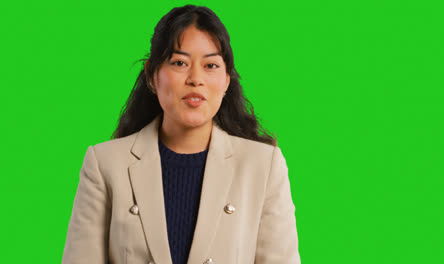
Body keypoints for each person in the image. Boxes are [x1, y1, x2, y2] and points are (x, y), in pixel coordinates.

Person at [62, 4, 300, 264]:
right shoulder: (104, 164)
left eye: (210, 65)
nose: (195, 78)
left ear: (226, 81)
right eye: (179, 63)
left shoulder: (263, 166)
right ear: (152, 75)